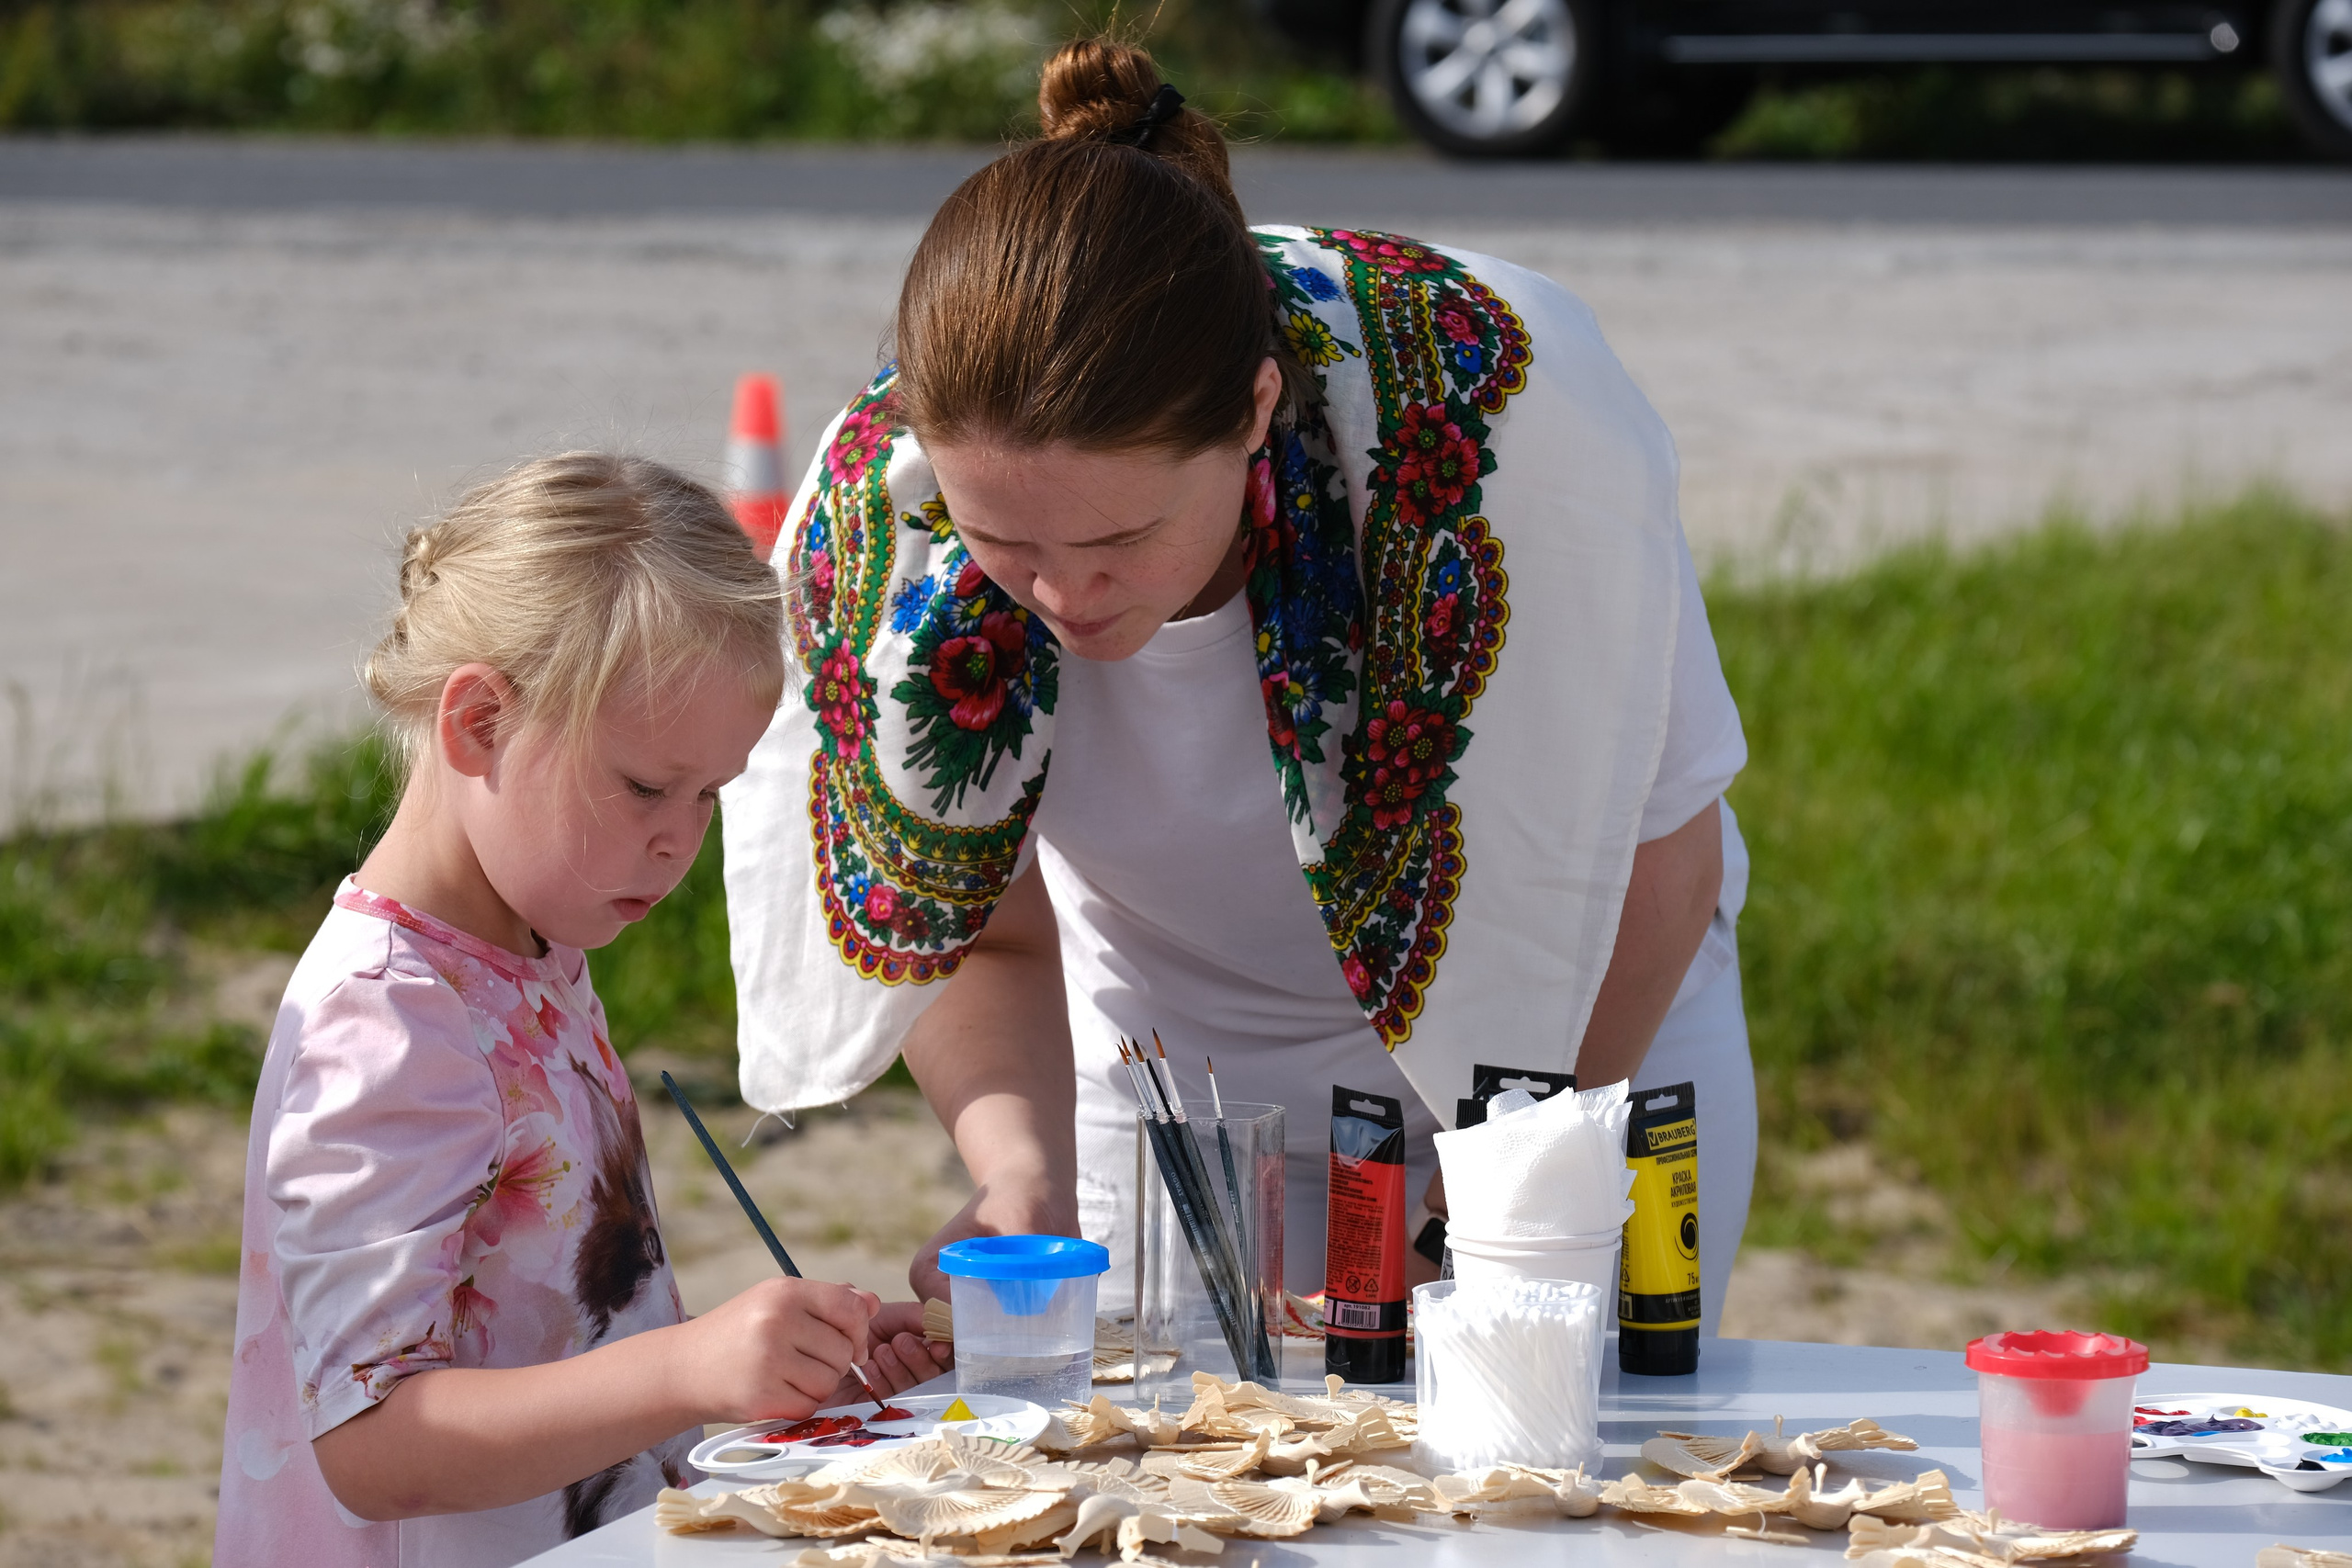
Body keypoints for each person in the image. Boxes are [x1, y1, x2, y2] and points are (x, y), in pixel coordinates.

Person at [723, 40, 1756, 1338]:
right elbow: (975, 912)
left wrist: (1507, 1180)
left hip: (1568, 1039)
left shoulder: (1513, 431)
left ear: (1257, 410)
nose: (1060, 595)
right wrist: (1016, 1167)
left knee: (1525, 1492)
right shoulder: (895, 522)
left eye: (1117, 542)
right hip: (1170, 1084)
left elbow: (1665, 858)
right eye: (1010, 544)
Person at [213, 453, 944, 1568]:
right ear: (479, 727)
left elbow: (558, 1332)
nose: (678, 839)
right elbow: (368, 1447)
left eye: (711, 793)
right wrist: (687, 1368)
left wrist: (777, 1377)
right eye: (647, 786)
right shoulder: (385, 1021)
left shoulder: (529, 947)